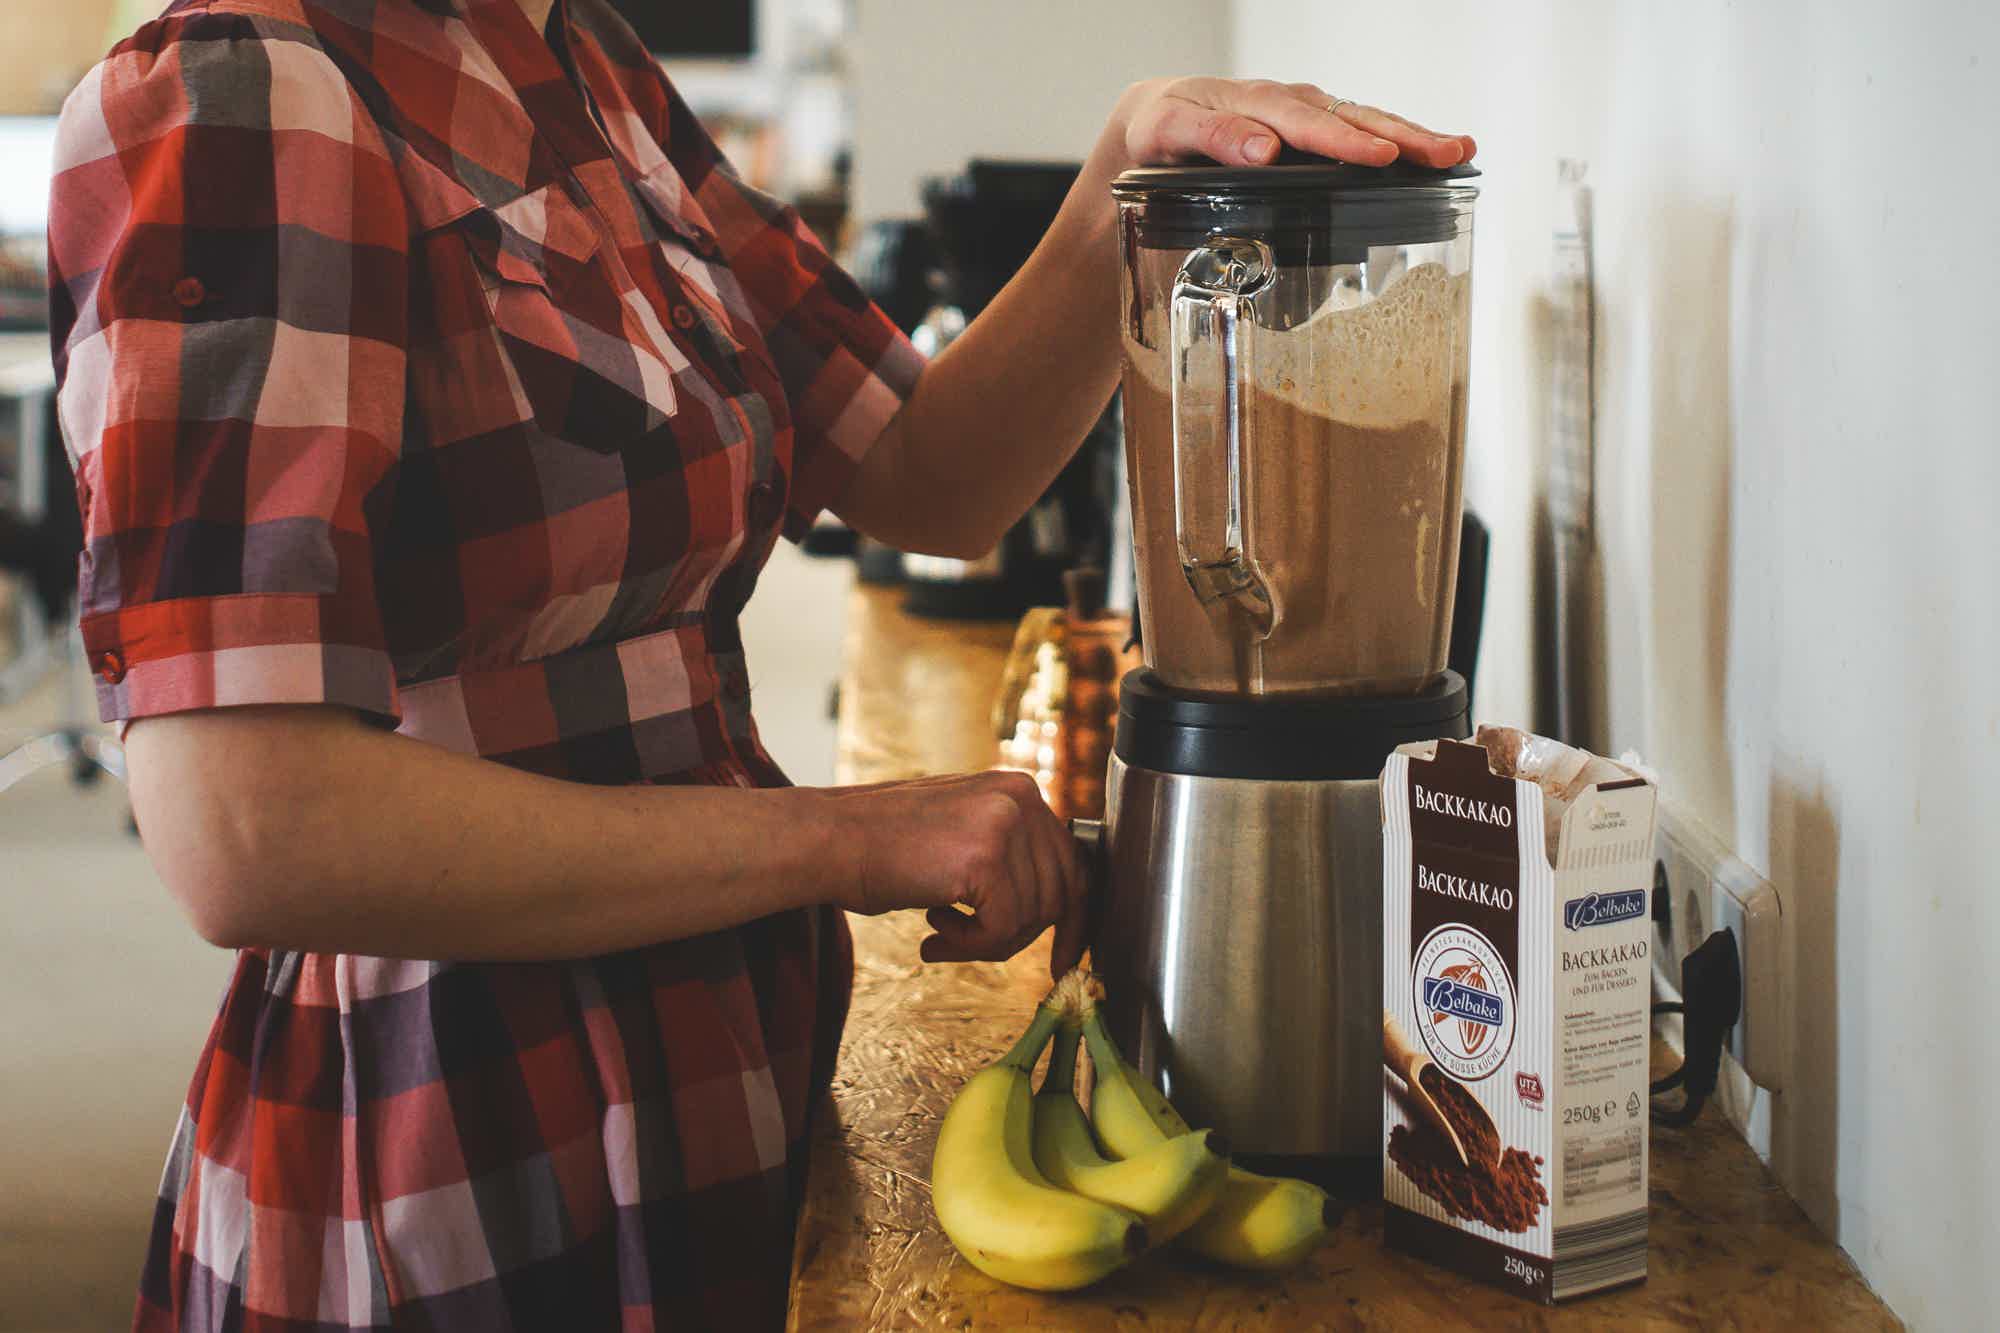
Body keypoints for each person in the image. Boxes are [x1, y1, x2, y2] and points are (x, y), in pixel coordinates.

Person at [47, 1, 1474, 1327]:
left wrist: (1131, 175)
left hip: (722, 1080)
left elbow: (928, 471)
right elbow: (246, 828)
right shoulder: (243, 92)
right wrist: (849, 836)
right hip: (459, 1139)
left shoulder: (580, 60)